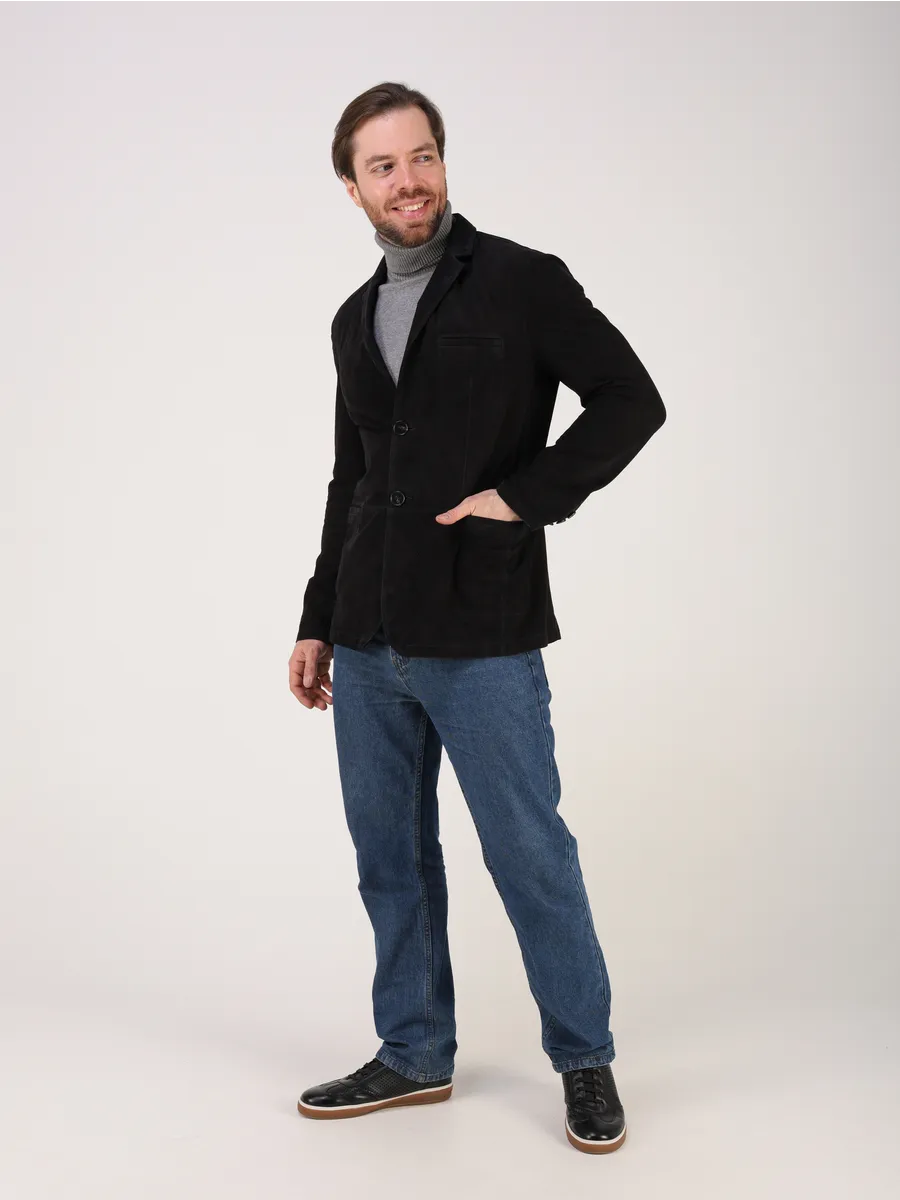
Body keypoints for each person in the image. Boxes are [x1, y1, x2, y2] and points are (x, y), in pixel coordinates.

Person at [288, 81, 665, 1154]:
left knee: (529, 852)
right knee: (390, 858)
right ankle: (413, 1052)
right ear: (352, 187)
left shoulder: (520, 281)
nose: (409, 181)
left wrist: (523, 496)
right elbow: (351, 479)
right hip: (367, 637)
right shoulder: (353, 319)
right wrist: (316, 618)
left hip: (482, 630)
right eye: (383, 167)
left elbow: (631, 399)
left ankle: (583, 1059)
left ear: (443, 161)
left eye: (423, 157)